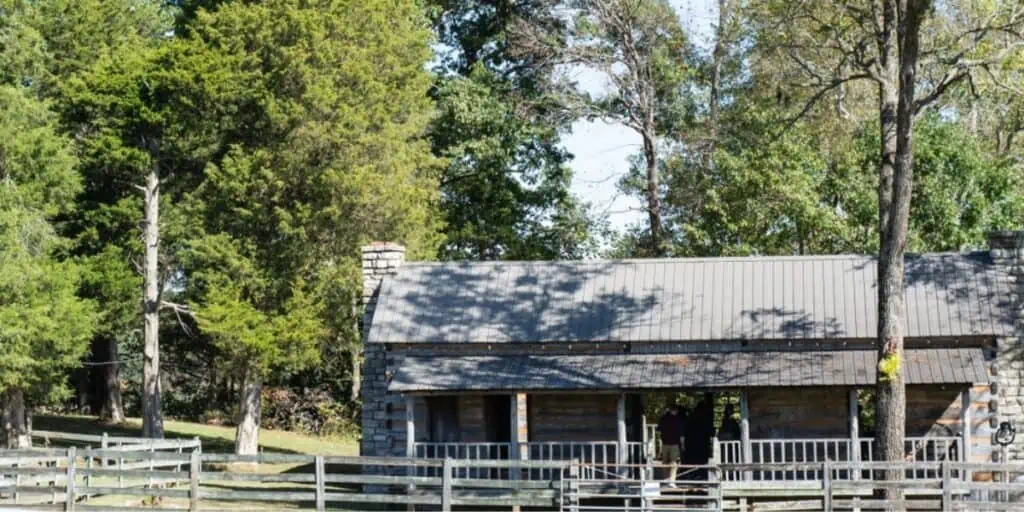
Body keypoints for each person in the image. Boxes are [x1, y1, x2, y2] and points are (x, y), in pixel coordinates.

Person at [657, 404, 686, 486]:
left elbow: (659, 432)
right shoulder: (679, 420)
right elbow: (681, 435)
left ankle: (666, 480)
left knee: (665, 463)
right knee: (674, 463)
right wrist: (683, 446)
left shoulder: (663, 418)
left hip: (665, 443)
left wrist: (659, 446)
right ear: (676, 411)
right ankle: (672, 481)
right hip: (675, 444)